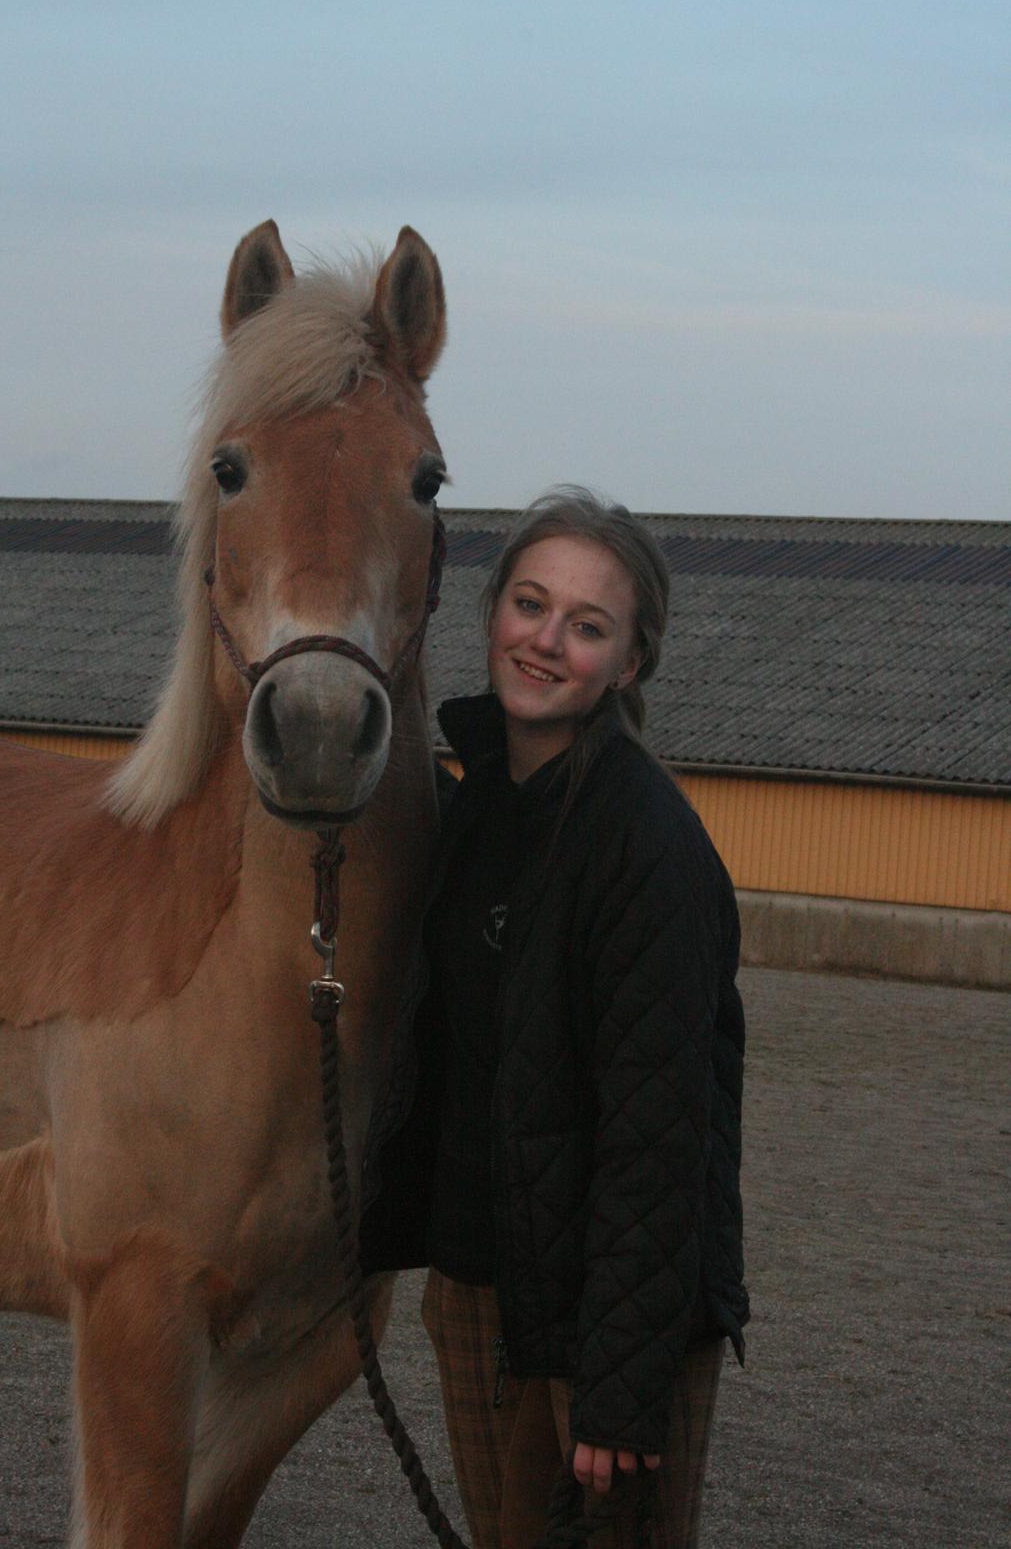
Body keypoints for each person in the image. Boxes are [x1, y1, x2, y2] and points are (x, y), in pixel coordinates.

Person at [361, 486, 747, 1549]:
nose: (545, 641)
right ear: (491, 614)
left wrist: (620, 1387)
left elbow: (660, 1136)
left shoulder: (645, 847)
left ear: (626, 664)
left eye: (586, 626)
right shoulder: (471, 811)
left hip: (610, 1321)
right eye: (529, 605)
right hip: (480, 1292)